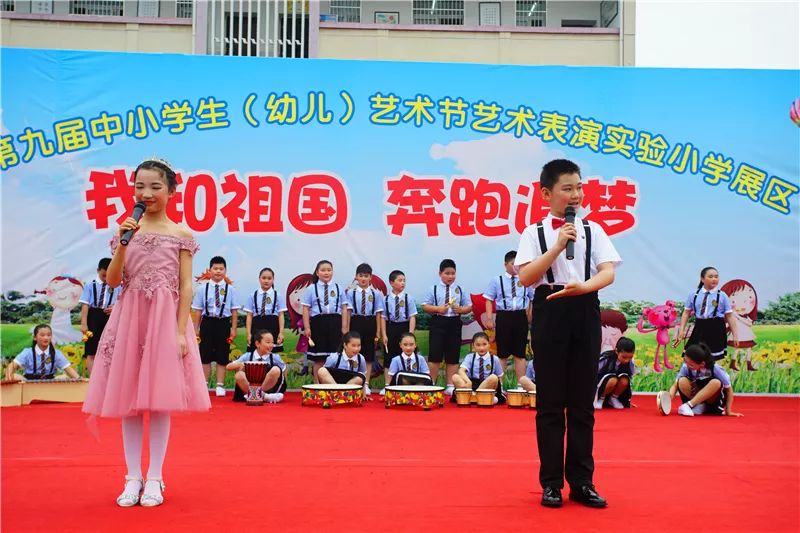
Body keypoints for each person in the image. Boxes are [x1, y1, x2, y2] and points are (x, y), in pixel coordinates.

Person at [82, 158, 211, 508]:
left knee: (160, 400)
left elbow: (186, 287)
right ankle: (131, 477)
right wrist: (124, 243)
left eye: (155, 187)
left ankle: (155, 477)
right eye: (140, 186)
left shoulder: (182, 235)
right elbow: (112, 281)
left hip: (165, 319)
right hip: (131, 317)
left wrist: (181, 331)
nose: (147, 193)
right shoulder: (125, 230)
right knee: (129, 402)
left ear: (171, 190)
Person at [515, 159, 621, 509]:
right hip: (550, 308)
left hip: (584, 304)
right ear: (547, 193)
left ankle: (582, 482)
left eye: (578, 187)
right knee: (550, 403)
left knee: (581, 403)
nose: (575, 195)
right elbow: (527, 277)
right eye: (567, 188)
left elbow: (608, 272)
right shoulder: (535, 233)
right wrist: (558, 246)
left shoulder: (593, 231)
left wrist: (584, 287)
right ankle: (550, 484)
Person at [192, 256, 240, 397]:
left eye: (221, 269)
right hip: (207, 322)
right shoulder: (203, 288)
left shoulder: (230, 289)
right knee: (205, 354)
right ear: (210, 270)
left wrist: (234, 329)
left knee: (222, 354)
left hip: (223, 323)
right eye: (215, 268)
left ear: (225, 271)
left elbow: (235, 310)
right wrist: (196, 328)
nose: (218, 271)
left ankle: (220, 385)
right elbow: (198, 310)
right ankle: (204, 384)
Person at [421, 259, 471, 393]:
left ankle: (450, 385)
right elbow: (424, 306)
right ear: (440, 273)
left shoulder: (460, 289)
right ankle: (431, 384)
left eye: (453, 273)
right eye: (447, 273)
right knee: (435, 355)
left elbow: (469, 306)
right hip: (438, 322)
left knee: (453, 355)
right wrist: (438, 308)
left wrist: (461, 310)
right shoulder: (434, 289)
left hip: (454, 323)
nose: (450, 276)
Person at [483, 250, 533, 382]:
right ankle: (498, 386)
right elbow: (488, 299)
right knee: (502, 353)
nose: (516, 267)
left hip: (520, 317)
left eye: (518, 264)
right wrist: (489, 319)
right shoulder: (497, 280)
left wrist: (530, 315)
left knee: (520, 354)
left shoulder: (526, 279)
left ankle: (521, 386)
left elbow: (532, 299)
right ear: (505, 264)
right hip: (503, 317)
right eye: (513, 264)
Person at [673, 267, 738, 362]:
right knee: (691, 356)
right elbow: (686, 313)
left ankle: (712, 376)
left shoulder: (722, 295)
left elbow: (729, 316)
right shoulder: (693, 294)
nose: (714, 279)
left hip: (716, 327)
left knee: (713, 359)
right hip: (700, 326)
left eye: (716, 277)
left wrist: (735, 335)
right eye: (711, 276)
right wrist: (681, 330)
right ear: (702, 279)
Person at [667, 343, 742, 417]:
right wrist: (668, 399)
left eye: (691, 365)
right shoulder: (685, 367)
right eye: (685, 361)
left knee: (716, 382)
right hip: (696, 402)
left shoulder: (715, 369)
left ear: (702, 364)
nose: (687, 365)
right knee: (681, 381)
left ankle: (688, 405)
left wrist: (729, 411)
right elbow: (675, 385)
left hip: (712, 403)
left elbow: (729, 389)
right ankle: (698, 405)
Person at [301, 260, 345, 383]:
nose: (326, 273)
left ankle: (333, 384)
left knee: (334, 356)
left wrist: (344, 327)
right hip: (318, 323)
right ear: (317, 272)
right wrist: (307, 327)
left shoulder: (338, 288)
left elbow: (345, 307)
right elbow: (306, 308)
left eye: (329, 270)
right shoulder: (311, 289)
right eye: (323, 270)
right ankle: (317, 385)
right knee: (319, 358)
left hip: (335, 322)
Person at [344, 263, 384, 395]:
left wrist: (378, 331)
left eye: (366, 276)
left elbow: (379, 313)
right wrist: (347, 329)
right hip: (356, 321)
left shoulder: (376, 294)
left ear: (370, 277)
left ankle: (365, 384)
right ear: (356, 277)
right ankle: (354, 382)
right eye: (360, 276)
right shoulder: (350, 293)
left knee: (368, 355)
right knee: (353, 352)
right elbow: (348, 312)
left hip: (370, 322)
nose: (363, 279)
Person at [79, 258, 120, 375]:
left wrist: (116, 308)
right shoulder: (90, 285)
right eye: (104, 275)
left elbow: (123, 302)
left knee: (110, 348)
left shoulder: (118, 286)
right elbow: (85, 304)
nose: (107, 278)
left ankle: (109, 377)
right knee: (91, 350)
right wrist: (84, 323)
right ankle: (93, 379)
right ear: (98, 270)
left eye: (110, 275)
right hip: (94, 317)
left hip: (111, 318)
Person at [381, 270, 417, 392]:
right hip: (391, 328)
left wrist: (410, 333)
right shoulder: (385, 299)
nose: (403, 283)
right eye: (400, 280)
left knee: (407, 354)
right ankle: (387, 385)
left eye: (404, 281)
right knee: (389, 357)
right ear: (392, 282)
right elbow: (383, 318)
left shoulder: (409, 298)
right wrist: (384, 334)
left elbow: (412, 316)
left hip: (404, 327)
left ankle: (408, 384)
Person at [227, 330, 287, 403]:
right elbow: (228, 367)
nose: (271, 345)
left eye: (272, 342)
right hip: (249, 386)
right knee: (239, 375)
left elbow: (283, 371)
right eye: (268, 342)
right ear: (257, 344)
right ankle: (262, 396)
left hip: (269, 389)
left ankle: (257, 394)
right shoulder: (248, 355)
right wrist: (240, 364)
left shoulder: (275, 357)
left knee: (276, 370)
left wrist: (282, 388)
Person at [5, 324, 80, 381]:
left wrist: (80, 379)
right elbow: (11, 366)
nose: (46, 338)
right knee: (14, 376)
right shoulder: (27, 352)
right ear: (34, 337)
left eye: (49, 335)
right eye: (42, 335)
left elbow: (68, 369)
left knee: (65, 377)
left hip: (50, 382)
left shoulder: (56, 353)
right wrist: (8, 376)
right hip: (28, 382)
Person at [451, 332, 504, 404]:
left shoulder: (494, 359)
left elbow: (500, 377)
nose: (481, 348)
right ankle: (478, 398)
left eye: (484, 344)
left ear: (489, 345)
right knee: (455, 377)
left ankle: (472, 397)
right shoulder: (470, 357)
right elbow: (461, 371)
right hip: (471, 387)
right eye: (478, 345)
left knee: (494, 378)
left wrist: (501, 391)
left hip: (487, 387)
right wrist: (468, 382)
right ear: (473, 346)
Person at [243, 267, 287, 353]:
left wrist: (281, 333)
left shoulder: (278, 295)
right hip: (256, 327)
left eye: (269, 278)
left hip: (273, 326)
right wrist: (248, 334)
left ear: (273, 280)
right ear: (259, 279)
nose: (266, 281)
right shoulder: (252, 295)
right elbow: (249, 316)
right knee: (256, 354)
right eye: (264, 278)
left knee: (271, 354)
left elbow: (281, 315)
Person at [594, 337, 637, 409]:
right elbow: (593, 373)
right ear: (616, 351)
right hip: (600, 387)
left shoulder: (630, 362)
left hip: (613, 389)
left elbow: (629, 380)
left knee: (625, 379)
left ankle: (613, 398)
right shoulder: (606, 358)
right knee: (613, 379)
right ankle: (600, 399)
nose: (627, 360)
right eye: (624, 357)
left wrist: (627, 401)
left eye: (630, 357)